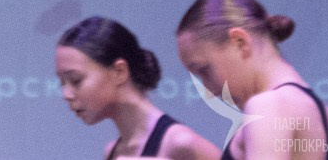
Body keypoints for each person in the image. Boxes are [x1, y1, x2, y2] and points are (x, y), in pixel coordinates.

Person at [176, 0, 328, 159]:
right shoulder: (322, 113)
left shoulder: (267, 105)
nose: (209, 91)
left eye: (205, 70)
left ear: (240, 42)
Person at [55, 17, 219, 158]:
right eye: (62, 83)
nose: (66, 94)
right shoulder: (112, 151)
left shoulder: (182, 144)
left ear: (119, 72)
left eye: (75, 80)